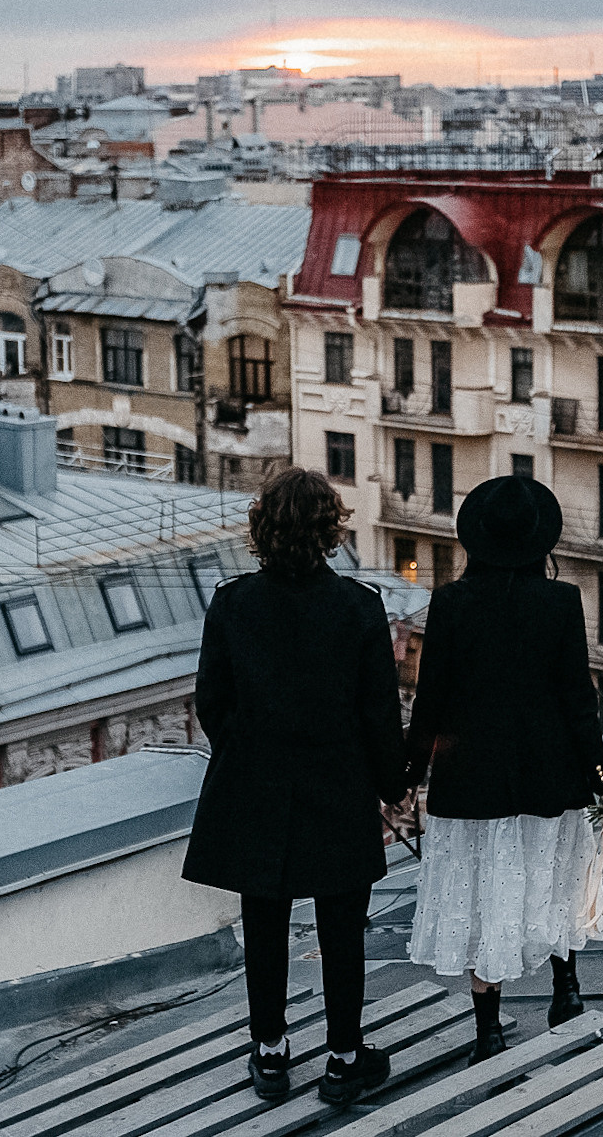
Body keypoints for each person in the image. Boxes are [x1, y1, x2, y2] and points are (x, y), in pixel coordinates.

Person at [182, 468, 409, 1105]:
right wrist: (392, 784)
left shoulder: (231, 603)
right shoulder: (360, 605)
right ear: (330, 531)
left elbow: (212, 703)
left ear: (261, 530)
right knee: (342, 927)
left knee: (265, 923)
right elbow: (378, 714)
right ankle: (343, 1060)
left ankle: (271, 1054)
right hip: (337, 787)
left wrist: (248, 752)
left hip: (256, 787)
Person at [403, 474, 603, 1063]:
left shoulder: (448, 603)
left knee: (483, 896)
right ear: (537, 541)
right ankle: (565, 990)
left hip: (472, 782)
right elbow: (578, 699)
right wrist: (601, 778)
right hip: (550, 774)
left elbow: (431, 700)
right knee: (552, 876)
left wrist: (410, 774)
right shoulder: (560, 601)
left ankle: (489, 1030)